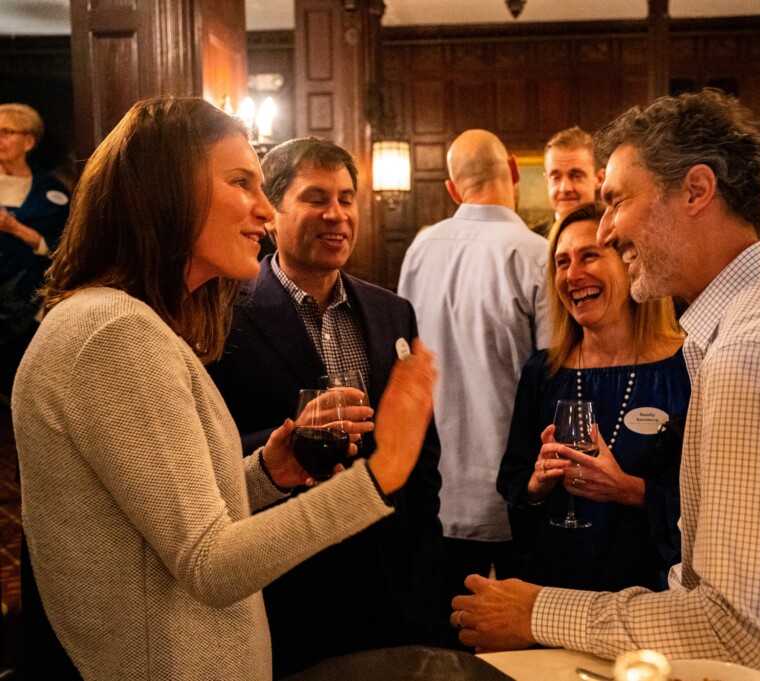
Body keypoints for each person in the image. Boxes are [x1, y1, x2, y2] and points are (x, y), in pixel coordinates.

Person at [450, 90, 760, 681]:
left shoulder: (754, 351)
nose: (607, 230)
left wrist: (538, 611)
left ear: (696, 190)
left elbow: (734, 633)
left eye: (617, 201)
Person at [11, 96, 437, 681]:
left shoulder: (124, 323)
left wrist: (266, 471)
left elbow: (162, 517)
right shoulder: (115, 333)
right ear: (169, 192)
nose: (265, 211)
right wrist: (379, 476)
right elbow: (209, 562)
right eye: (242, 182)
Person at [206, 136, 446, 675]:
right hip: (290, 579)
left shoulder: (392, 312)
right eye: (316, 198)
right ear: (273, 210)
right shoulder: (222, 315)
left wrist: (424, 571)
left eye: (346, 198)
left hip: (389, 579)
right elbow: (205, 449)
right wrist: (287, 441)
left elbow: (420, 458)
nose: (336, 214)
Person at [497, 201, 688, 593]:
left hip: (651, 592)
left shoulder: (686, 366)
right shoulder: (544, 372)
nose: (573, 274)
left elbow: (714, 506)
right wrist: (537, 483)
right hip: (556, 587)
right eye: (562, 262)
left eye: (589, 256)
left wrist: (629, 490)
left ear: (628, 261)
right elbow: (514, 484)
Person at [397, 129, 550, 609]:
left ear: (451, 189)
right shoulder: (535, 255)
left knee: (442, 645)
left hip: (434, 486)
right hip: (514, 490)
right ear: (510, 168)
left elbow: (406, 361)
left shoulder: (419, 250)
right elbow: (554, 378)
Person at [0, 103, 70, 403]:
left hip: (25, 298)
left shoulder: (49, 190)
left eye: (5, 132)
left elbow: (61, 247)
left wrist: (14, 228)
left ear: (28, 141)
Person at [533, 126, 605, 237]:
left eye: (576, 176)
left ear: (599, 179)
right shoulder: (533, 241)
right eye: (556, 177)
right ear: (547, 182)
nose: (565, 188)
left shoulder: (615, 237)